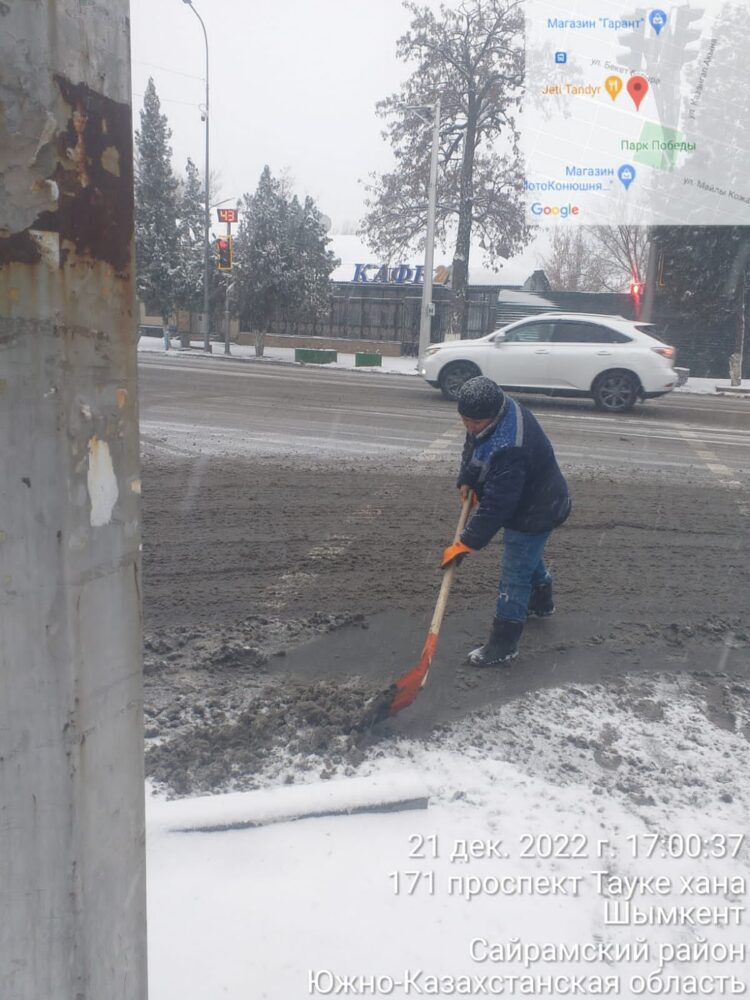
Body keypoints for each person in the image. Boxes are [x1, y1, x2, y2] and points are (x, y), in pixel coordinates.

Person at [440, 376, 571, 666]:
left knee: (514, 572)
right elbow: (474, 445)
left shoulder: (512, 445)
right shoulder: (492, 414)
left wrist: (464, 545)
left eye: (476, 422)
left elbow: (498, 507)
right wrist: (467, 479)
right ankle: (541, 599)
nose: (470, 428)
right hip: (532, 500)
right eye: (465, 421)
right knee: (527, 558)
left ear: (493, 414)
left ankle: (504, 643)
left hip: (536, 509)